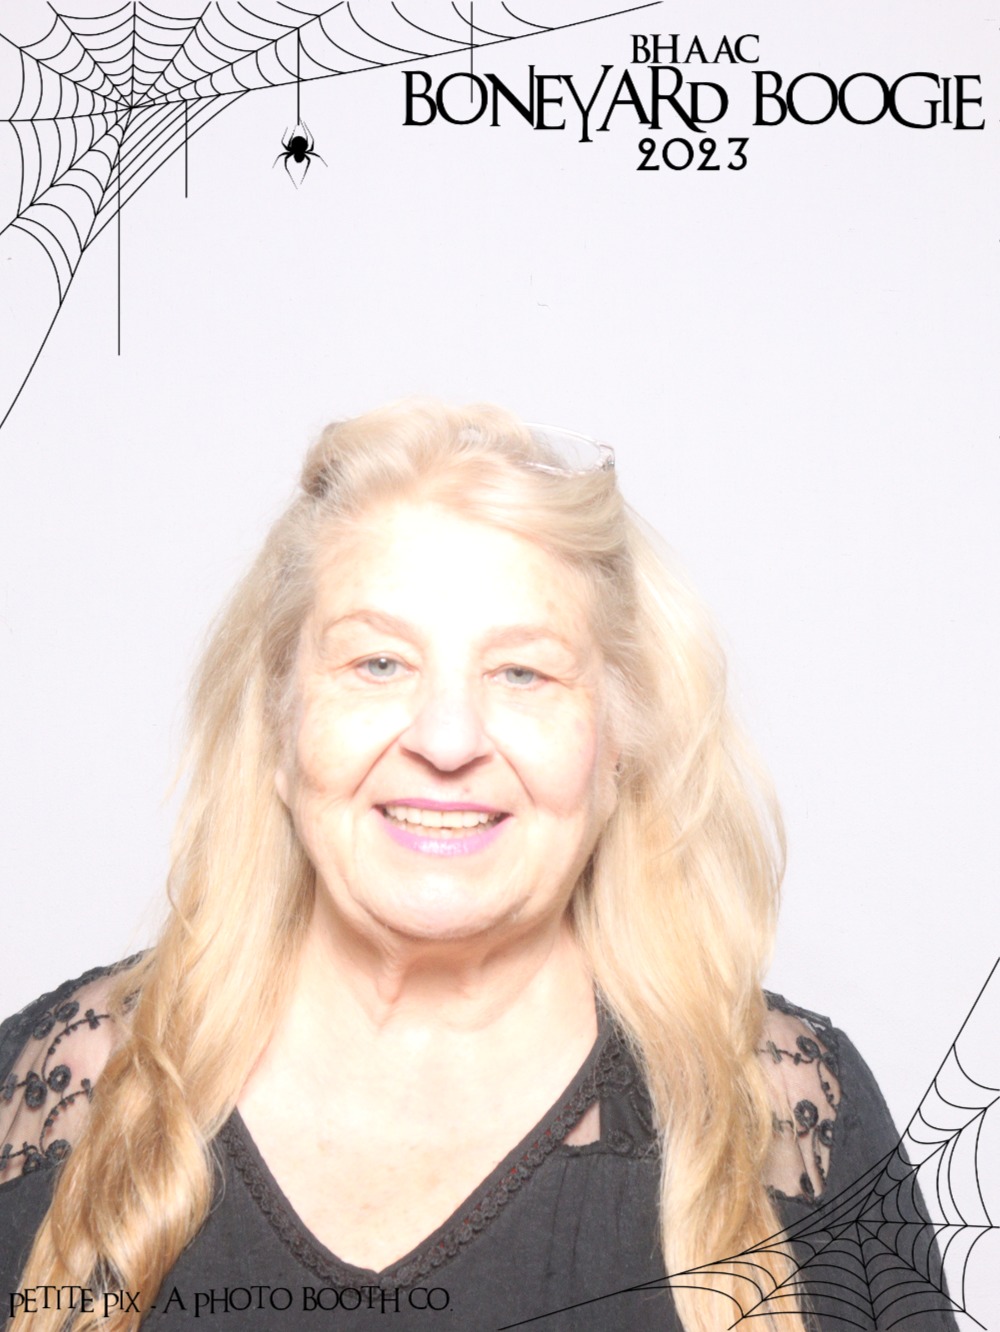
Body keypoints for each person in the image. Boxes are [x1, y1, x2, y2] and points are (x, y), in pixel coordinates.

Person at [0, 401, 956, 1332]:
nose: (448, 740)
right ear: (280, 725)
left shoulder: (787, 1119)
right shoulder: (52, 1096)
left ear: (618, 742)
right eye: (378, 664)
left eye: (522, 672)